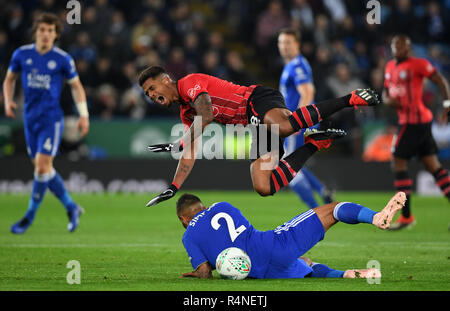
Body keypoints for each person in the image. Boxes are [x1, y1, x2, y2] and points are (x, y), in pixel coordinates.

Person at [140, 66, 380, 207]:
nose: (150, 95)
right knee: (263, 185)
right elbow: (189, 152)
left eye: (152, 88)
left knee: (284, 126)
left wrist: (180, 142)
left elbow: (206, 113)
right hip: (255, 123)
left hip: (257, 100)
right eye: (147, 93)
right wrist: (173, 186)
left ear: (165, 80)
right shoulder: (185, 113)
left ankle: (349, 99)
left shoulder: (189, 83)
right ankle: (314, 143)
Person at [177, 192, 406, 279]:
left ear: (183, 219)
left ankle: (346, 275)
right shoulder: (222, 205)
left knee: (305, 265)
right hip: (273, 247)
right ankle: (376, 217)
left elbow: (205, 272)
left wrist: (199, 271)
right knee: (332, 210)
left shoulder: (188, 237)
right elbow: (239, 234)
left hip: (257, 274)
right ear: (203, 206)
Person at [2, 13, 89, 234]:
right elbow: (9, 79)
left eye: (50, 31)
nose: (46, 34)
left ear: (56, 34)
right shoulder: (22, 54)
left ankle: (29, 216)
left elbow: (76, 86)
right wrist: (8, 100)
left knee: (41, 166)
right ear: (36, 32)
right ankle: (71, 207)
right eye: (42, 30)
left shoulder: (62, 58)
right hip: (30, 119)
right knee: (45, 169)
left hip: (51, 119)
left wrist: (83, 114)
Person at [383, 35, 450, 230]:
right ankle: (406, 216)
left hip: (415, 123)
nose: (399, 49)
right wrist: (388, 100)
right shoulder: (389, 67)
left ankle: (406, 217)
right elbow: (386, 93)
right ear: (392, 47)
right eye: (396, 46)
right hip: (413, 122)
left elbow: (440, 81)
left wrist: (447, 103)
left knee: (397, 163)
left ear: (409, 48)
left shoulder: (418, 64)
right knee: (433, 166)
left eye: (403, 46)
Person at [277, 28, 334, 208]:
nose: (284, 47)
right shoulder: (293, 65)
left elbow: (308, 92)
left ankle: (316, 210)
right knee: (294, 163)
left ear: (297, 45)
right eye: (281, 43)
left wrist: (298, 123)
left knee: (286, 168)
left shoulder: (297, 66)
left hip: (298, 124)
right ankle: (321, 190)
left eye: (288, 43)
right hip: (297, 123)